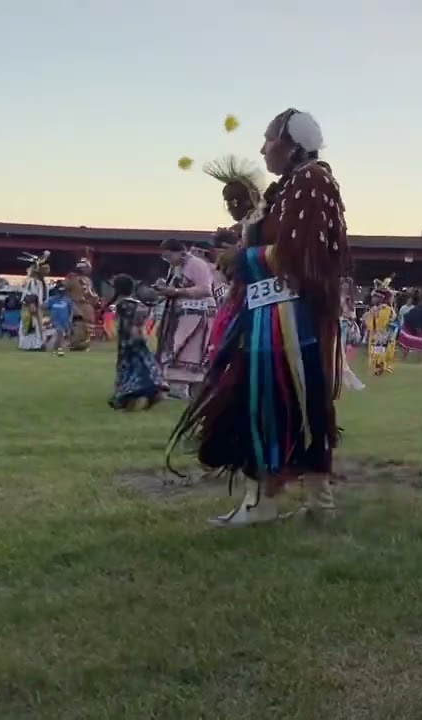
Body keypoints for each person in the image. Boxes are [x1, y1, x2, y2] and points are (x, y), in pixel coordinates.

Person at [168, 107, 349, 527]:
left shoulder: (312, 180)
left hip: (289, 322)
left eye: (269, 139)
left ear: (293, 145)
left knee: (285, 403)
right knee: (272, 404)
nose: (262, 147)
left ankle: (292, 502)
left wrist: (242, 257)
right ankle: (286, 500)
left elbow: (301, 256)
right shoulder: (288, 188)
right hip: (269, 317)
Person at [203, 155, 266, 357]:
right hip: (243, 295)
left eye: (230, 203)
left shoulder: (259, 223)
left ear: (239, 202)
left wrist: (237, 256)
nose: (229, 208)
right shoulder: (247, 225)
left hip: (257, 299)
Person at [153, 239, 216, 399]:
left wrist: (176, 291)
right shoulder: (176, 267)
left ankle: (184, 388)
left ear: (181, 253)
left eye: (169, 256)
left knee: (186, 348)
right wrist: (165, 288)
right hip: (179, 313)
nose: (167, 261)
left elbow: (205, 289)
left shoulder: (197, 265)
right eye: (164, 258)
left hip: (197, 314)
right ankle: (178, 388)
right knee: (176, 346)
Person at [108, 274, 164, 410]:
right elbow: (143, 317)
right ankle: (152, 390)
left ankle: (129, 395)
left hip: (126, 341)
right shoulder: (138, 304)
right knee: (143, 363)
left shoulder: (121, 305)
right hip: (139, 339)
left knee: (127, 367)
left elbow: (116, 322)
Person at [17, 251, 50, 351]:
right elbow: (30, 294)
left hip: (39, 307)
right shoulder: (33, 281)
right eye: (44, 269)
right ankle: (30, 345)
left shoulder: (41, 281)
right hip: (31, 307)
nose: (47, 271)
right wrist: (32, 305)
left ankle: (38, 344)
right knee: (30, 326)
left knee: (38, 326)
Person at [64, 258, 99, 351]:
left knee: (85, 326)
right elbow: (65, 290)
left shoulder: (86, 279)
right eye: (87, 268)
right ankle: (77, 344)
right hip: (77, 305)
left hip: (85, 305)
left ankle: (81, 344)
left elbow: (91, 293)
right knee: (78, 325)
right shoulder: (72, 278)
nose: (89, 270)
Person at [364, 278, 397, 376]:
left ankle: (380, 367)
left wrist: (373, 316)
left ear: (381, 298)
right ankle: (378, 366)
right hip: (376, 333)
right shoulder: (376, 309)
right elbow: (369, 322)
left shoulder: (385, 309)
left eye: (375, 297)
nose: (373, 299)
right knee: (375, 350)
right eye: (373, 297)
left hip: (381, 333)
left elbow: (382, 323)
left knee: (380, 350)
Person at [44, 284, 73, 357]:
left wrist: (70, 319)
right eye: (60, 292)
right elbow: (44, 307)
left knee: (65, 336)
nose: (61, 294)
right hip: (55, 321)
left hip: (65, 321)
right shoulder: (52, 299)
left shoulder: (67, 300)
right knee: (60, 333)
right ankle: (59, 350)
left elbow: (71, 311)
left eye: (62, 292)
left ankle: (55, 350)